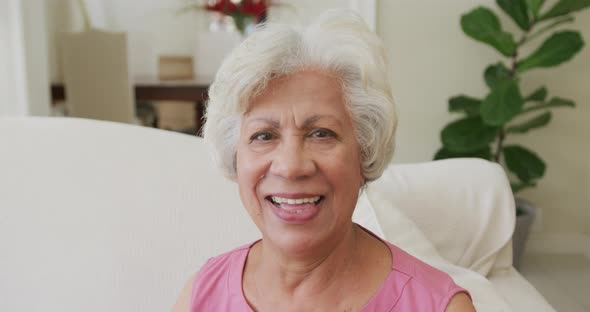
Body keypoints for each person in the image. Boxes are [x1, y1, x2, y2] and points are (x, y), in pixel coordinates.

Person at [174, 10, 475, 312]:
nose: (291, 166)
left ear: (364, 152)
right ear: (235, 158)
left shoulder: (440, 307)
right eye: (264, 136)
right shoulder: (199, 298)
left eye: (321, 134)